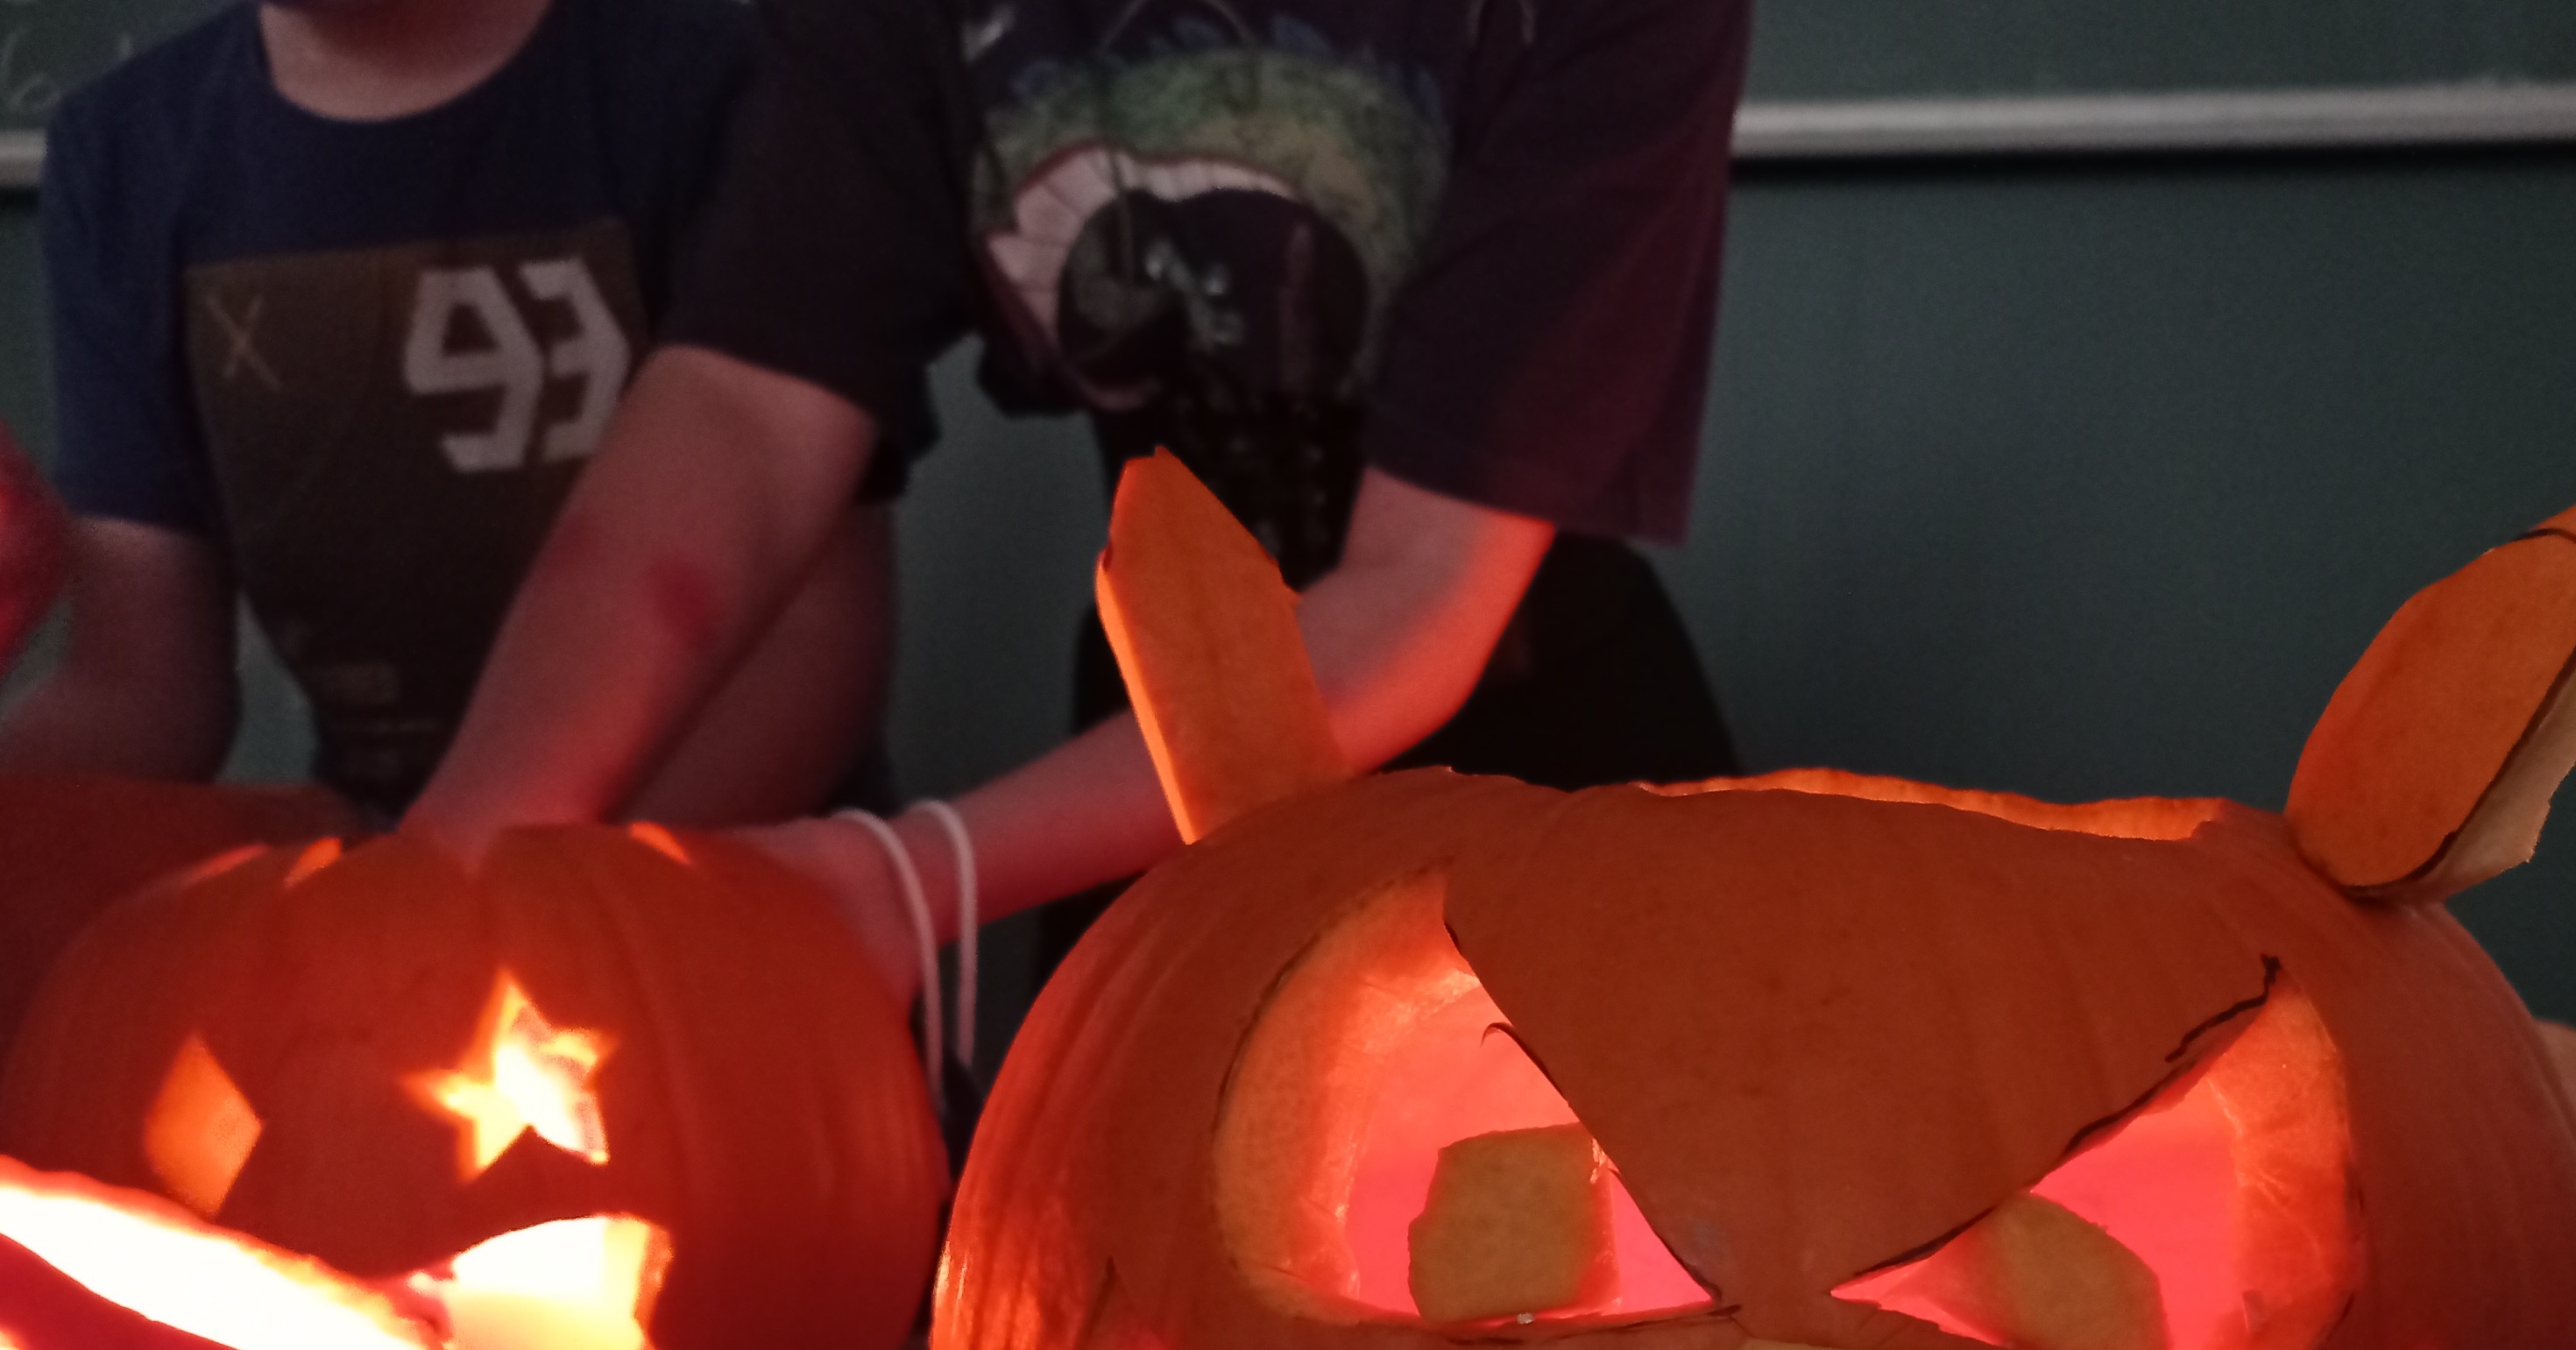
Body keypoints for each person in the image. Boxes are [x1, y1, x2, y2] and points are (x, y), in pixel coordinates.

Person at [407, 0, 1752, 1001]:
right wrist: (458, 862)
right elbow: (748, 405)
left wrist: (922, 872)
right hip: (1141, 756)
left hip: (1539, 780)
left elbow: (1420, 587)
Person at [0, 0, 892, 826]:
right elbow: (139, 687)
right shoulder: (119, 157)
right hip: (382, 880)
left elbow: (813, 642)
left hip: (718, 873)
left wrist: (544, 886)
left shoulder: (722, 86)